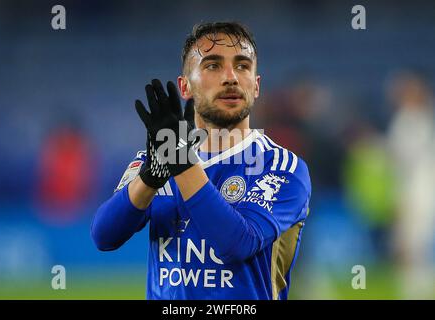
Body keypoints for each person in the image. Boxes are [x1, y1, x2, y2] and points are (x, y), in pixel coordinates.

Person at [91, 21, 312, 300]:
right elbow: (104, 235)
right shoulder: (157, 159)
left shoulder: (281, 166)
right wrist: (152, 176)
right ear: (186, 87)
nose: (231, 77)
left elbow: (236, 243)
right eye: (213, 66)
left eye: (242, 66)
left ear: (256, 87)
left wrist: (180, 159)